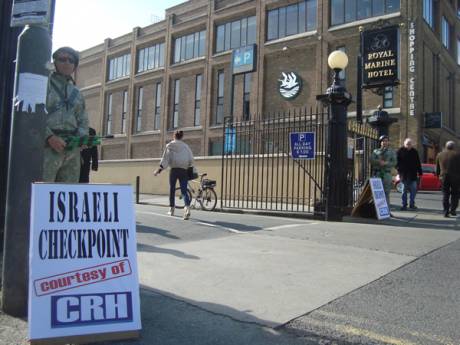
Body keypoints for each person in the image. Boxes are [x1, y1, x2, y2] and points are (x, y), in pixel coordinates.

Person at [43, 46, 88, 182]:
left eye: (71, 60)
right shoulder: (45, 85)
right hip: (47, 149)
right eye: (62, 59)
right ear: (55, 62)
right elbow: (34, 115)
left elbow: (83, 120)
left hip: (72, 151)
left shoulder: (77, 93)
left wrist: (81, 139)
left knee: (68, 196)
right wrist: (49, 137)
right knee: (43, 194)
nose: (67, 63)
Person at [154, 130, 194, 220]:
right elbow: (191, 159)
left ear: (174, 136)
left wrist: (159, 170)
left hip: (174, 170)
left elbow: (165, 160)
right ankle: (187, 208)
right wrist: (187, 166)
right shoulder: (186, 147)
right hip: (184, 170)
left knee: (172, 189)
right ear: (182, 137)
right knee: (184, 191)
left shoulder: (170, 146)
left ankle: (172, 209)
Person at [396, 138, 422, 210]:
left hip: (413, 174)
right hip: (404, 174)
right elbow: (396, 162)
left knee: (413, 190)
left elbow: (418, 163)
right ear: (404, 144)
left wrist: (420, 172)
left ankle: (412, 204)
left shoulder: (414, 152)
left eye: (410, 144)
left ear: (412, 145)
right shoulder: (400, 151)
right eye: (407, 144)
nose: (408, 145)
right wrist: (399, 170)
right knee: (404, 190)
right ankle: (404, 205)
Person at [371, 135, 397, 207]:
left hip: (386, 174)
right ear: (380, 142)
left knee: (386, 193)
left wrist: (386, 163)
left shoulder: (391, 152)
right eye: (383, 141)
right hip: (377, 174)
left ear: (388, 142)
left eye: (386, 141)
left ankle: (386, 210)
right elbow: (371, 160)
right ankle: (376, 211)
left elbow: (394, 162)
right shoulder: (375, 151)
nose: (384, 142)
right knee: (376, 193)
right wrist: (379, 162)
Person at [435, 141, 460, 217]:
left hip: (444, 177)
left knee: (445, 194)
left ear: (446, 146)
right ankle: (453, 210)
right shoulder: (458, 155)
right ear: (453, 146)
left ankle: (445, 211)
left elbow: (437, 168)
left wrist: (438, 175)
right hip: (456, 177)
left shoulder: (440, 154)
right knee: (455, 194)